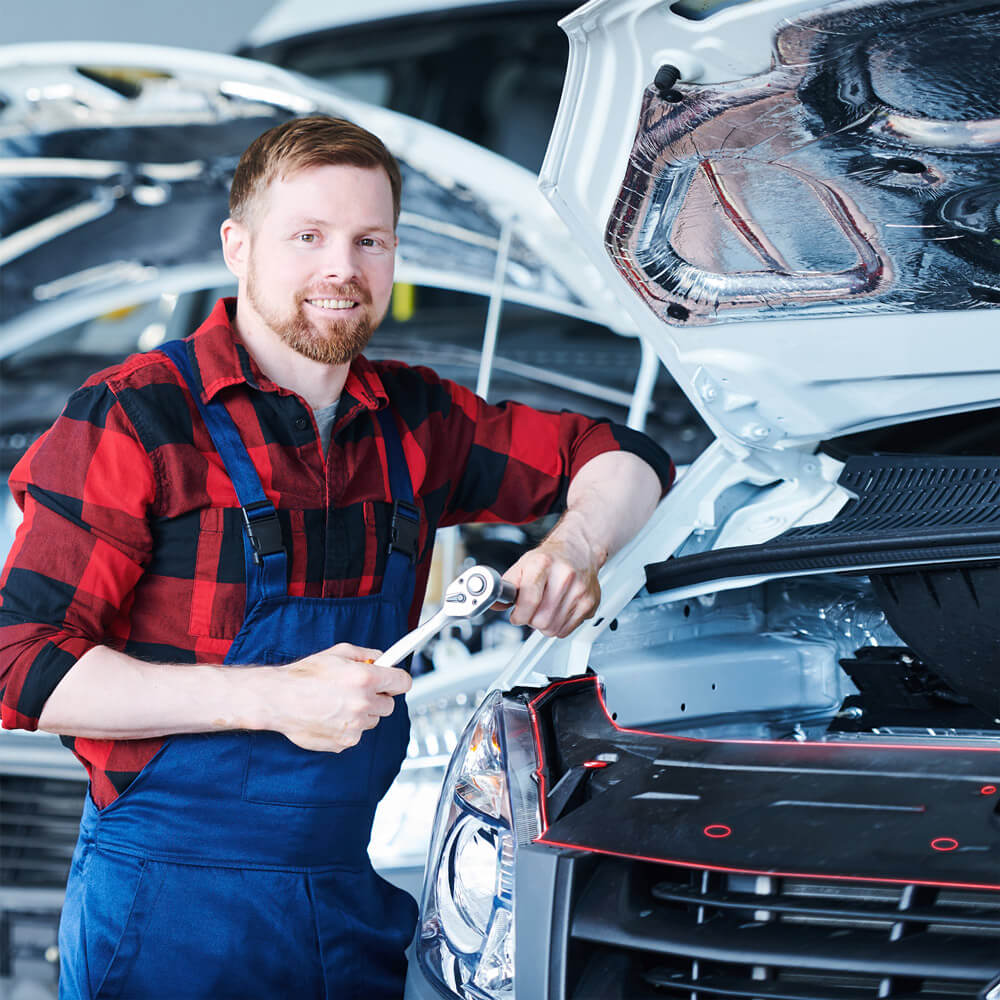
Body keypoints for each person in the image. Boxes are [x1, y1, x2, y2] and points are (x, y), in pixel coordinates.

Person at [0, 115, 672, 999]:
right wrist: (270, 697)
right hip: (171, 909)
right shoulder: (136, 416)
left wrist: (573, 546)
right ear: (238, 246)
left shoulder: (415, 419)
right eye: (307, 236)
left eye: (370, 240)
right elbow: (23, 668)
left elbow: (626, 455)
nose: (341, 270)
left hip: (350, 895)